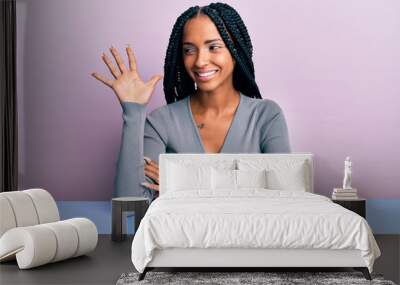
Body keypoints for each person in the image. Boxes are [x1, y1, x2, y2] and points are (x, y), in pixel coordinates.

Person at [91, 3, 291, 203]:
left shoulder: (266, 116)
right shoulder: (161, 122)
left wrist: (184, 184)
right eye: (189, 50)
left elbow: (284, 194)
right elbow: (130, 203)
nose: (200, 61)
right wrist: (133, 111)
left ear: (235, 51)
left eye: (213, 47)